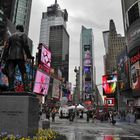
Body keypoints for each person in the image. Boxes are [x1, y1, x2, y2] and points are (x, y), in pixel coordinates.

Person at [2, 25, 33, 91]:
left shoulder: (11, 36)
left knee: (11, 73)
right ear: (21, 29)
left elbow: (6, 48)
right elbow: (26, 46)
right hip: (20, 56)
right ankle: (26, 88)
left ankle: (11, 88)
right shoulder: (23, 35)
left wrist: (4, 57)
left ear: (17, 29)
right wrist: (29, 55)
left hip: (11, 57)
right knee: (23, 72)